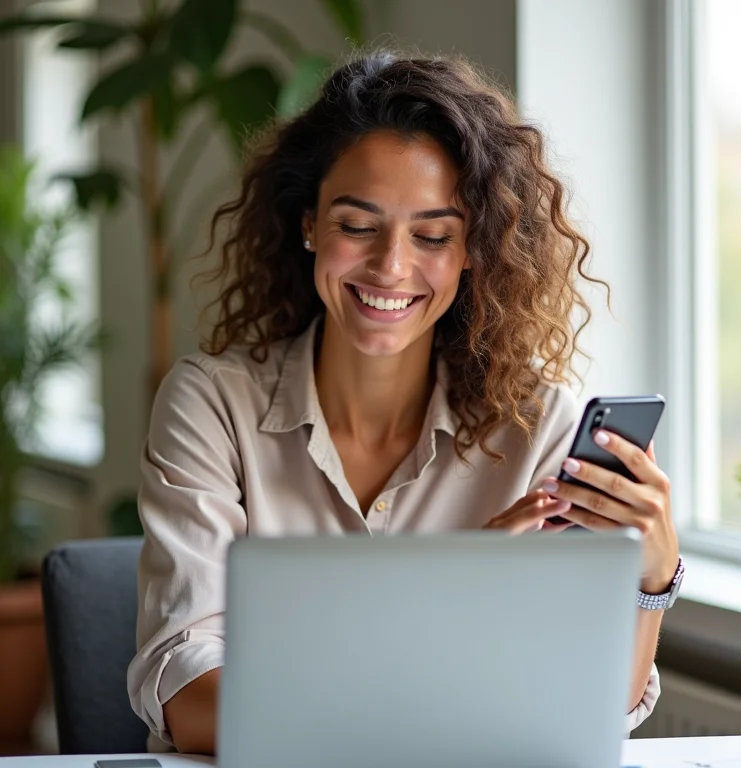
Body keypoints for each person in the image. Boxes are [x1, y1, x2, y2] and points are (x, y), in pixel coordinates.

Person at [127, 50, 679, 755]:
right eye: (358, 226)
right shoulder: (211, 405)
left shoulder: (537, 426)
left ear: (474, 248)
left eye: (433, 236)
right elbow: (190, 702)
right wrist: (446, 603)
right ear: (309, 223)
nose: (391, 266)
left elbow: (584, 706)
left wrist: (651, 581)